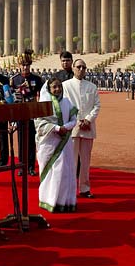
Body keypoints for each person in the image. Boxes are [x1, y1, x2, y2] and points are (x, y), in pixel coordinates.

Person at [34, 78, 77, 212]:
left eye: (59, 86)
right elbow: (39, 124)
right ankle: (49, 200)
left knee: (65, 171)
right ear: (49, 89)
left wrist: (66, 127)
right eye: (54, 87)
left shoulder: (67, 102)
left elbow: (74, 119)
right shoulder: (43, 104)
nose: (57, 89)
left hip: (65, 142)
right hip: (49, 143)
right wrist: (57, 129)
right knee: (52, 172)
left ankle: (64, 202)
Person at [62, 59, 100, 199]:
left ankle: (84, 188)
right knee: (71, 161)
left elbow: (97, 106)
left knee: (85, 160)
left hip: (88, 127)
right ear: (73, 68)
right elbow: (65, 105)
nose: (81, 69)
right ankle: (70, 188)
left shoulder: (92, 87)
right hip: (73, 126)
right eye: (79, 67)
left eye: (84, 67)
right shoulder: (65, 86)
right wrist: (78, 121)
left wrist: (88, 120)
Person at [10, 49, 43, 176]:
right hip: (20, 113)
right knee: (21, 141)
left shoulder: (37, 79)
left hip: (32, 113)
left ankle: (30, 166)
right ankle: (21, 166)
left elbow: (42, 95)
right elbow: (11, 99)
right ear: (19, 66)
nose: (25, 67)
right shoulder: (14, 79)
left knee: (31, 141)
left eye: (27, 65)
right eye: (23, 65)